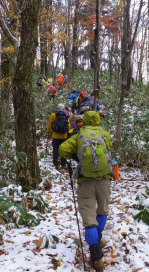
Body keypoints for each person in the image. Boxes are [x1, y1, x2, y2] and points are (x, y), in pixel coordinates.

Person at [59, 111, 112, 272]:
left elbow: (62, 149)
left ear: (85, 121)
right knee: (102, 211)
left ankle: (97, 258)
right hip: (104, 180)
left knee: (89, 219)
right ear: (97, 121)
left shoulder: (79, 135)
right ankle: (98, 238)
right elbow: (108, 150)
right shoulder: (105, 134)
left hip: (85, 181)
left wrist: (77, 158)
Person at [46, 103, 70, 171]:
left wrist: (48, 132)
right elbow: (68, 125)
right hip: (63, 136)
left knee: (55, 149)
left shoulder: (53, 115)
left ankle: (55, 162)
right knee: (63, 149)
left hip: (55, 136)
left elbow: (49, 125)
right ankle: (63, 163)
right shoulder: (65, 115)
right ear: (63, 108)